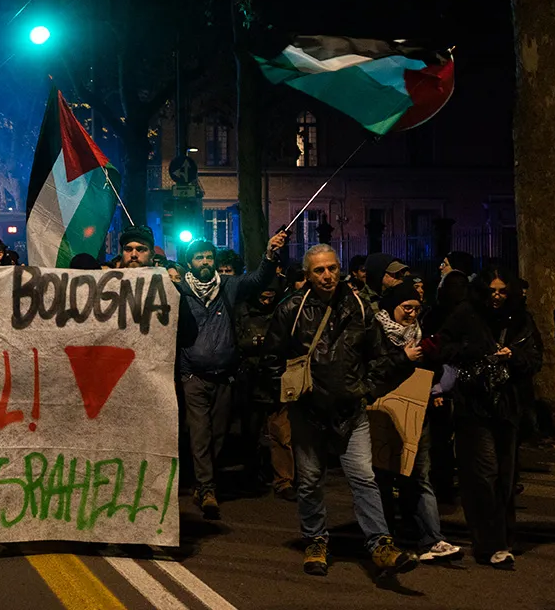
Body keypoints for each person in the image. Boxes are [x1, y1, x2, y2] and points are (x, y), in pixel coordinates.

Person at [264, 244, 420, 577]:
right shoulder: (291, 309)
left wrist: (366, 391)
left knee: (364, 478)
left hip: (350, 411)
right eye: (319, 270)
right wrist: (289, 391)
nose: (327, 275)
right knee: (308, 482)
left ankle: (380, 544)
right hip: (307, 411)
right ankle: (315, 541)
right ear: (308, 275)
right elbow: (271, 357)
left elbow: (378, 357)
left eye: (332, 268)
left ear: (340, 269)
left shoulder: (360, 308)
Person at [174, 231, 288, 519]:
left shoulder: (227, 286)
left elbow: (258, 280)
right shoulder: (179, 291)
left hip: (224, 377)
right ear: (189, 263)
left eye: (209, 257)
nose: (205, 262)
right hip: (194, 377)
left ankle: (204, 480)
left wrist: (270, 253)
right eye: (198, 257)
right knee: (200, 433)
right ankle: (207, 487)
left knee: (219, 435)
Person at [440, 265, 543, 568]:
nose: (497, 297)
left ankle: (502, 538)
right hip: (475, 405)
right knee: (483, 475)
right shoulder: (465, 314)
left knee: (505, 477)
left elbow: (535, 357)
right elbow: (444, 346)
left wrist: (515, 356)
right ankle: (490, 542)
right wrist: (474, 351)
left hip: (508, 406)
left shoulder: (520, 318)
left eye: (502, 291)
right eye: (492, 291)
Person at [373, 283, 462, 563]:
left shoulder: (421, 334)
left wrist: (434, 388)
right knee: (383, 475)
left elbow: (433, 367)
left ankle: (432, 539)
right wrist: (404, 357)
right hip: (383, 411)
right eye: (406, 308)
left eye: (416, 309)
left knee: (419, 473)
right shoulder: (376, 331)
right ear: (393, 308)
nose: (411, 314)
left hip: (416, 412)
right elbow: (374, 366)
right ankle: (385, 538)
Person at [235, 277, 294, 500]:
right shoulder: (243, 310)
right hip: (251, 379)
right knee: (251, 433)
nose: (267, 298)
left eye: (271, 294)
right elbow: (239, 340)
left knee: (282, 433)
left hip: (277, 378)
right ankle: (252, 474)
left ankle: (284, 479)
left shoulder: (283, 310)